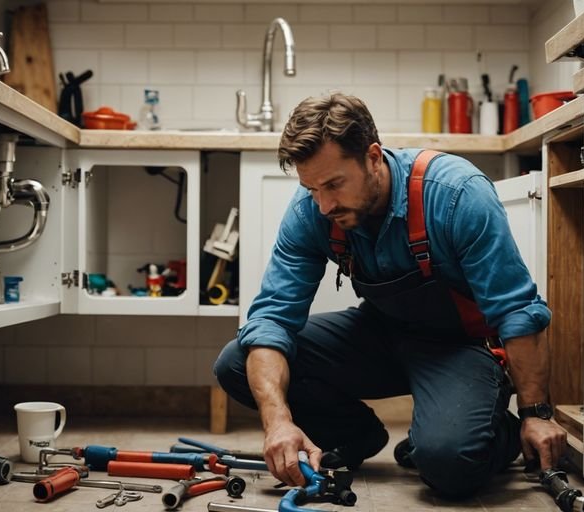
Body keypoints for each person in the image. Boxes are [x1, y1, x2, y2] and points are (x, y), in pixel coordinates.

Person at [213, 93, 566, 498]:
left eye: (334, 184)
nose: (324, 204)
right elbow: (272, 319)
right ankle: (355, 435)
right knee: (237, 361)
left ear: (373, 157)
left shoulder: (455, 194)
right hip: (381, 333)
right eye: (311, 188)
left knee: (449, 464)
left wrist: (534, 414)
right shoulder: (311, 211)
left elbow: (516, 309)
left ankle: (491, 428)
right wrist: (278, 422)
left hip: (459, 347)